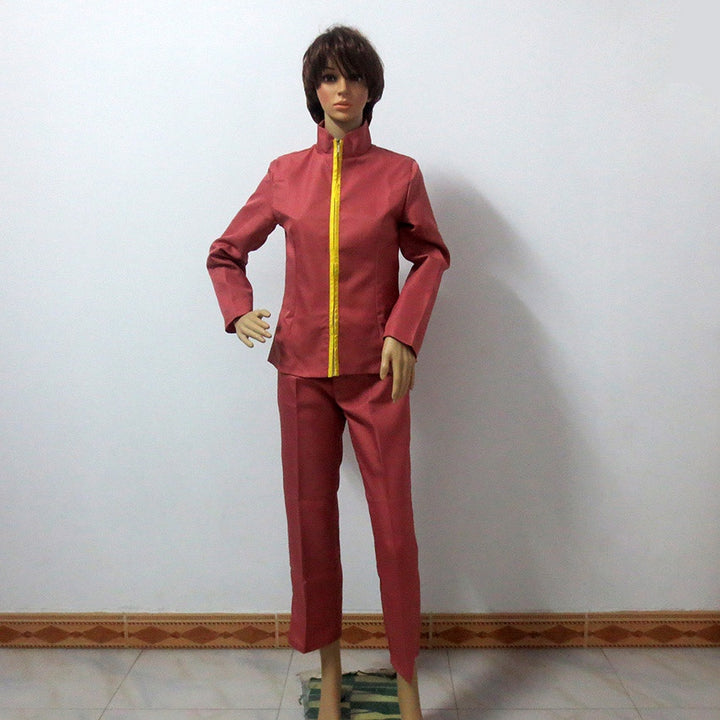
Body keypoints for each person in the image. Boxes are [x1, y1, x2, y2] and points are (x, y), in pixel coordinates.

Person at [207, 25, 449, 720]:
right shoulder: (286, 174)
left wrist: (404, 331)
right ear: (314, 90)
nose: (343, 90)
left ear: (373, 88)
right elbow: (226, 251)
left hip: (377, 372)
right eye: (330, 78)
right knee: (310, 526)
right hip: (302, 372)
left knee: (394, 528)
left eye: (355, 77)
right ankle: (330, 675)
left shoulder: (399, 174)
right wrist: (238, 310)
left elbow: (431, 255)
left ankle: (407, 681)